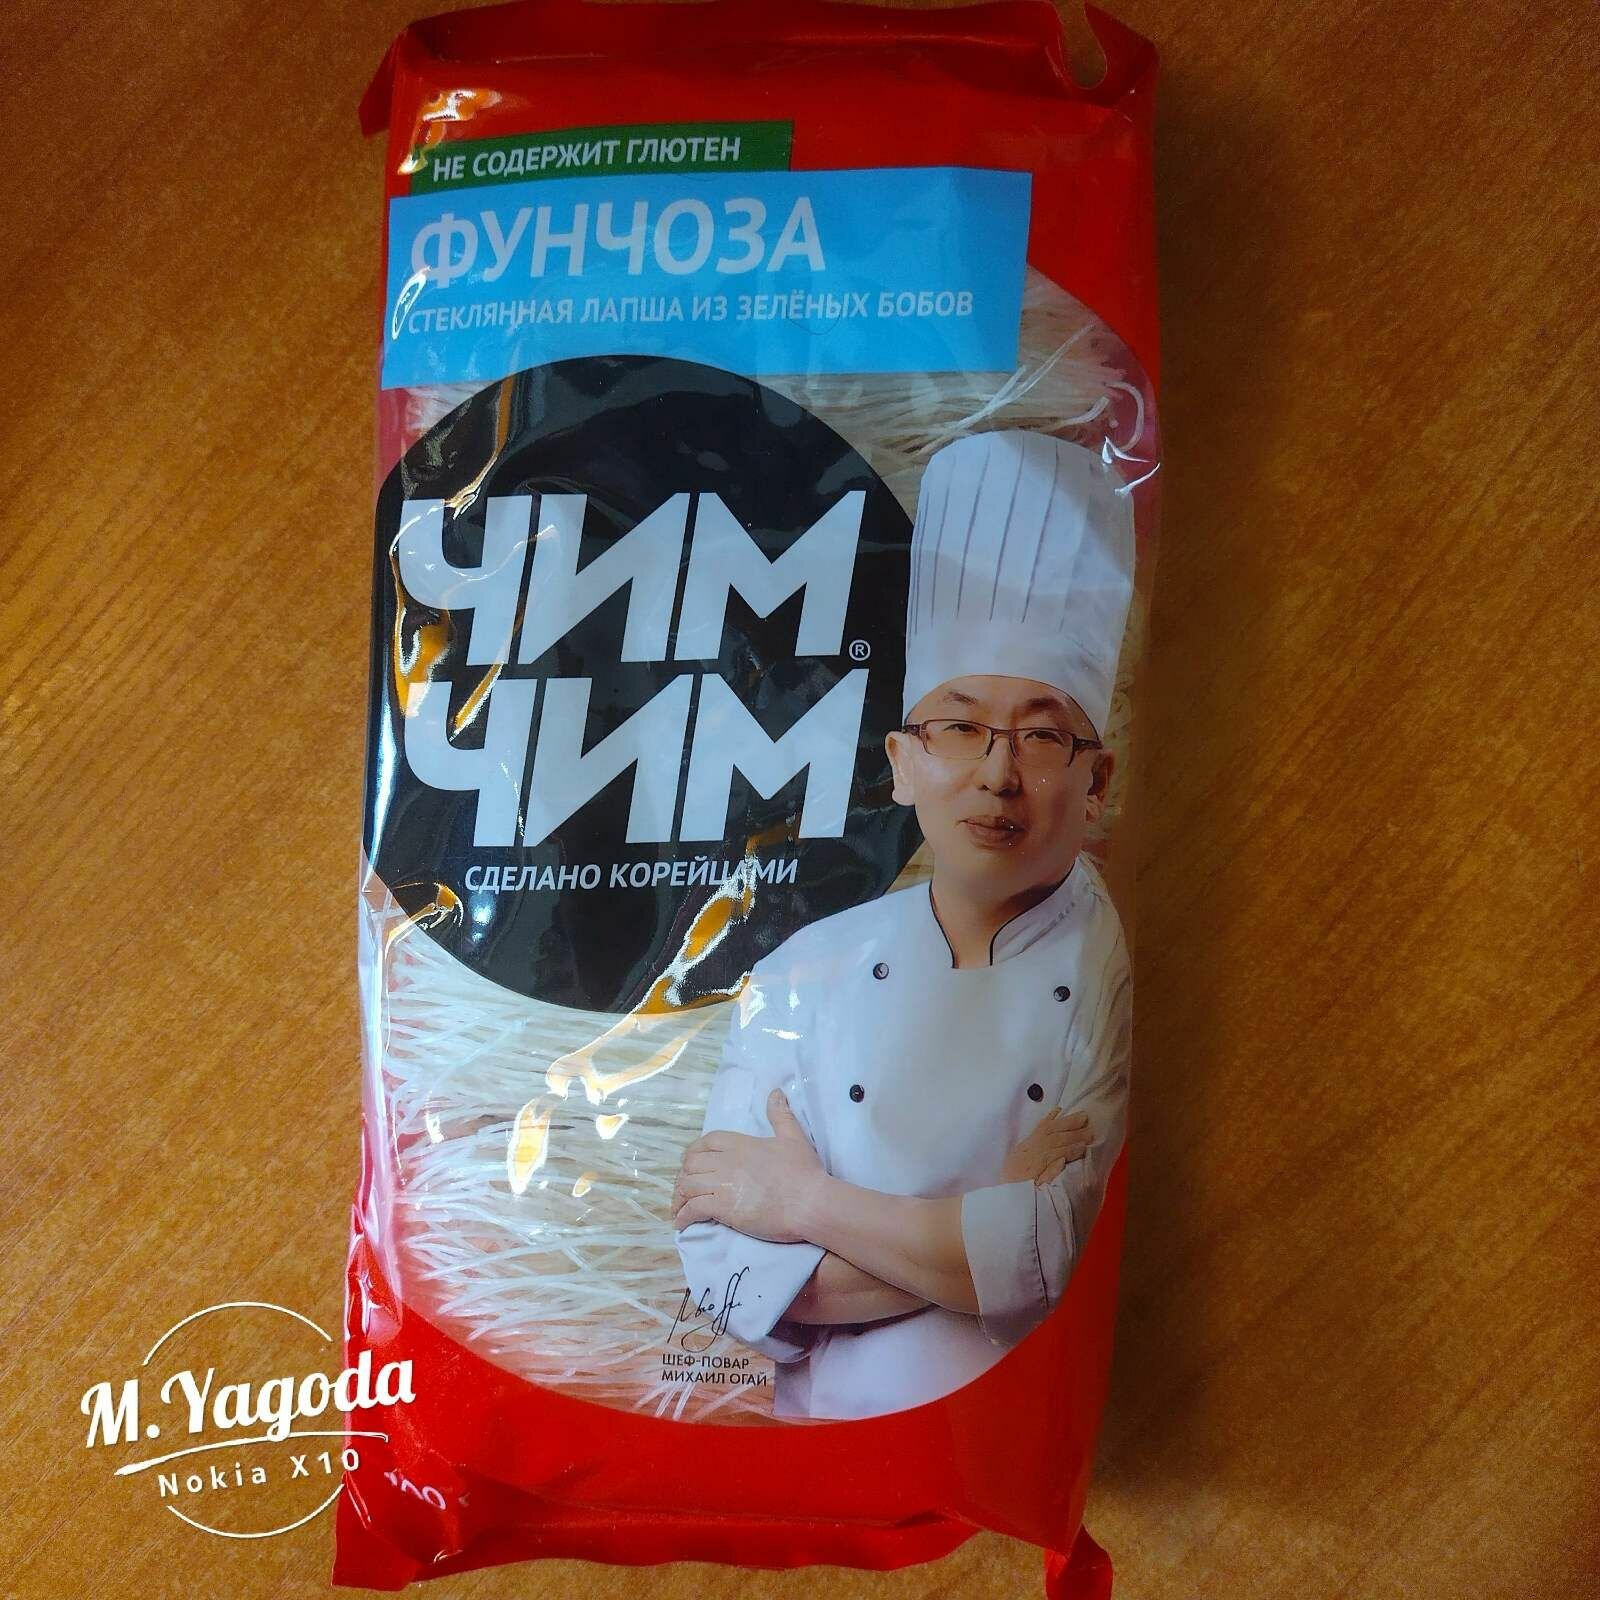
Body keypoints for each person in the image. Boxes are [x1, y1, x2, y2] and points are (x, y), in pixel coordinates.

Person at [672, 429, 1135, 1421]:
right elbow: (726, 1278)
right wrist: (987, 1232)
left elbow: (1058, 1255)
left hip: (1021, 1427)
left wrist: (803, 1205)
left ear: (1096, 782)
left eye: (1041, 736)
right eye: (959, 727)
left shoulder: (1106, 965)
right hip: (819, 1446)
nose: (998, 774)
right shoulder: (802, 971)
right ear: (901, 762)